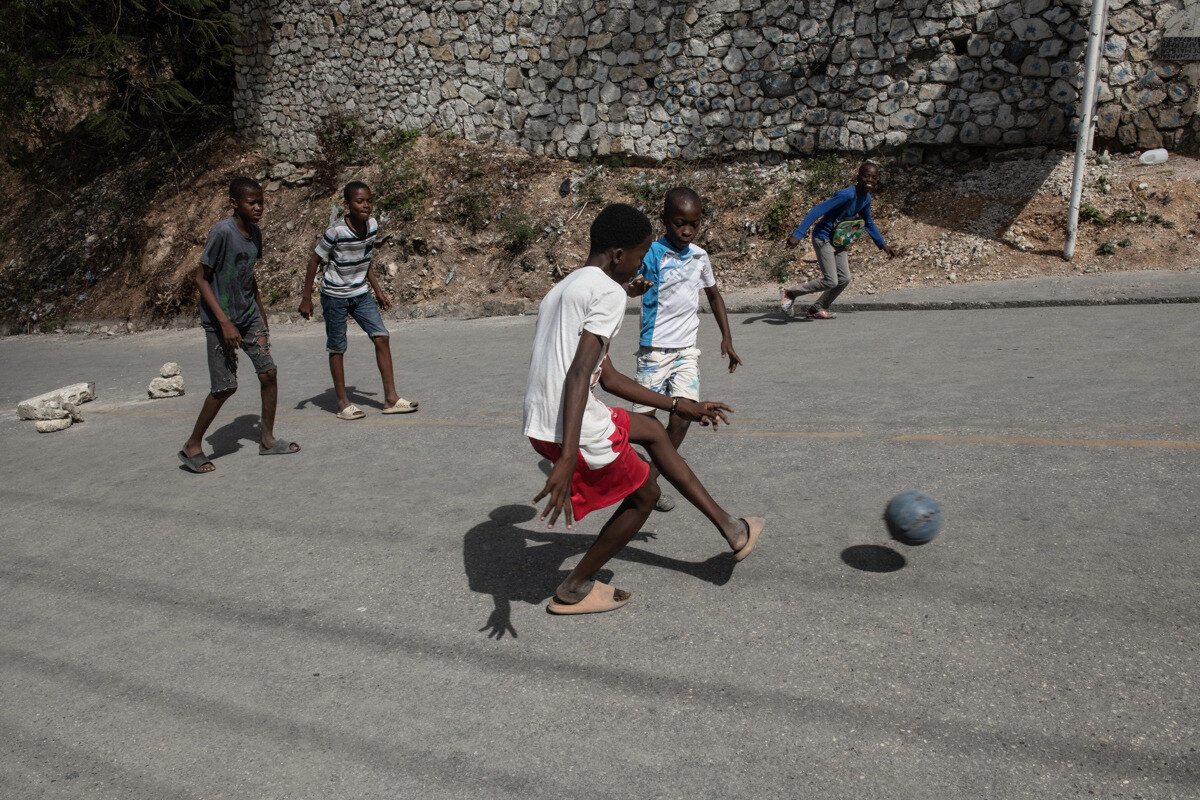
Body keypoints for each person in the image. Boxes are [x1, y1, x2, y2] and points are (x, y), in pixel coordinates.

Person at [524, 203, 765, 616]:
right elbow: (581, 374)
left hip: (543, 420)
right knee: (645, 497)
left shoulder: (564, 288)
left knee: (654, 432)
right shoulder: (607, 293)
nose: (641, 268)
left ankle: (732, 529)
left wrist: (678, 405)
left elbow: (609, 377)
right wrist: (567, 458)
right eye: (639, 257)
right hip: (571, 426)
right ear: (619, 255)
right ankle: (573, 587)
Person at [626, 187, 742, 513]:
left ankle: (652, 476)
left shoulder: (699, 256)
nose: (686, 230)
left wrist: (727, 339)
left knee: (684, 414)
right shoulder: (650, 253)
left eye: (693, 224)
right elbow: (627, 282)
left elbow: (714, 296)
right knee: (642, 423)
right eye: (679, 223)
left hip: (686, 350)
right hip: (654, 351)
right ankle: (634, 469)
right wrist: (632, 289)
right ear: (664, 220)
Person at [178, 177, 300, 473]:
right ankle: (192, 445)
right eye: (252, 202)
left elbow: (248, 274)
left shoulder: (255, 234)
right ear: (235, 203)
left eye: (261, 202)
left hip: (248, 316)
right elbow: (200, 278)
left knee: (268, 373)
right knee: (225, 386)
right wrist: (224, 322)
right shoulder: (221, 232)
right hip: (220, 320)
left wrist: (261, 312)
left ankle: (267, 440)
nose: (259, 207)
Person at [298, 181, 418, 419]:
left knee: (382, 337)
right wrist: (306, 298)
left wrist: (378, 291)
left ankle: (391, 399)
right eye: (360, 201)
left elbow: (365, 259)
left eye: (369, 201)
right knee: (337, 347)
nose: (366, 206)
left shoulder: (372, 225)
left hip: (360, 293)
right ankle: (343, 404)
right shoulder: (336, 231)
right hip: (334, 296)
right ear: (347, 204)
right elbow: (314, 260)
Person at [780, 161, 897, 319]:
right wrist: (798, 234)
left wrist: (883, 244)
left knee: (844, 278)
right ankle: (790, 294)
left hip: (839, 240)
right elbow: (817, 210)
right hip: (823, 237)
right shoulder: (846, 194)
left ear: (877, 180)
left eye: (874, 177)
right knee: (831, 280)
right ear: (858, 177)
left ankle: (817, 308)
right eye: (866, 176)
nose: (870, 179)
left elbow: (868, 222)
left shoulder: (866, 198)